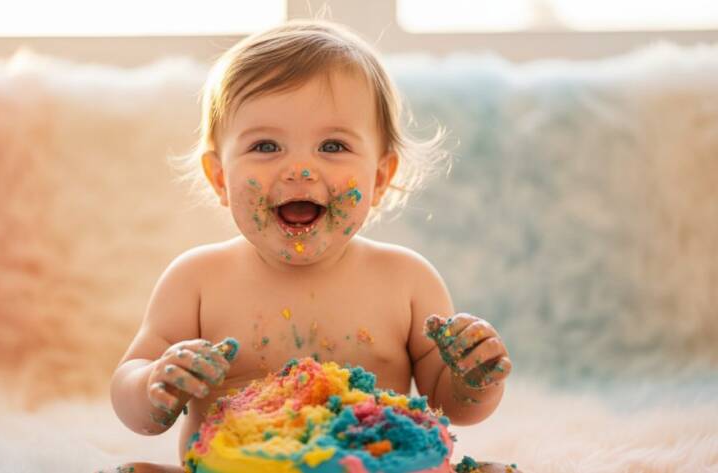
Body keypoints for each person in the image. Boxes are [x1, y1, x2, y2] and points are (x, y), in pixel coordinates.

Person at [99, 18, 517, 473]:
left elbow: (451, 406)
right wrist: (155, 385)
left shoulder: (407, 281)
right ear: (220, 177)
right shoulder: (197, 280)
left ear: (380, 178)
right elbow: (130, 389)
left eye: (333, 146)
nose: (299, 169)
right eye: (265, 146)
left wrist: (474, 378)